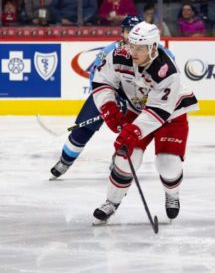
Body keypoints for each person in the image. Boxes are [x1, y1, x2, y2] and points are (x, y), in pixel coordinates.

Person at [90, 21, 198, 223]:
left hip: (171, 115)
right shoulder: (119, 55)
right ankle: (111, 202)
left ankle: (172, 195)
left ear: (154, 47)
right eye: (132, 46)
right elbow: (101, 81)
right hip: (138, 110)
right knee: (125, 158)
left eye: (140, 48)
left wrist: (133, 133)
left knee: (167, 163)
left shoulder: (166, 71)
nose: (134, 52)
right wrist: (108, 108)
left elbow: (158, 112)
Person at [50, 16, 177, 180]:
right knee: (84, 128)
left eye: (135, 31)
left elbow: (165, 83)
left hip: (139, 99)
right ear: (122, 32)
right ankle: (65, 161)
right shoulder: (110, 51)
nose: (131, 35)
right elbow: (97, 78)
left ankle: (119, 161)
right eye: (128, 31)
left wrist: (141, 99)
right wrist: (110, 98)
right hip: (111, 93)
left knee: (131, 132)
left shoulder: (160, 53)